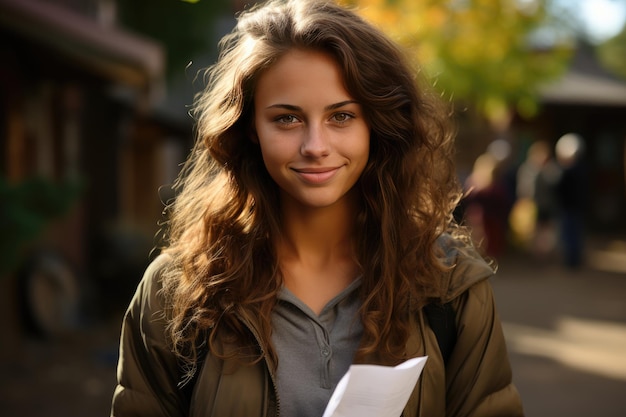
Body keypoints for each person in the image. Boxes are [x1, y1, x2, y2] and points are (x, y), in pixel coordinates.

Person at [110, 1, 524, 416]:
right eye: (287, 119)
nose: (315, 146)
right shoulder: (178, 291)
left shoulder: (450, 286)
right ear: (250, 128)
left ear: (377, 125)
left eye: (341, 116)